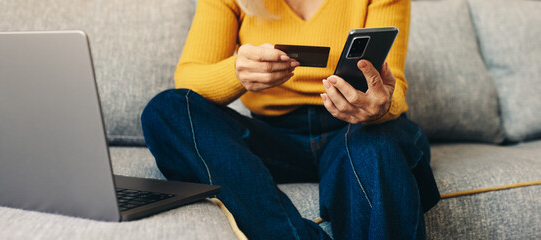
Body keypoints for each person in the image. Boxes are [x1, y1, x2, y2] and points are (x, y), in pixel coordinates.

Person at [141, 0, 440, 239]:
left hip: (355, 128)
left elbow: (394, 86)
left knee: (376, 146)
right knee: (165, 110)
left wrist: (380, 106)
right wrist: (236, 72)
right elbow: (188, 78)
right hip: (273, 138)